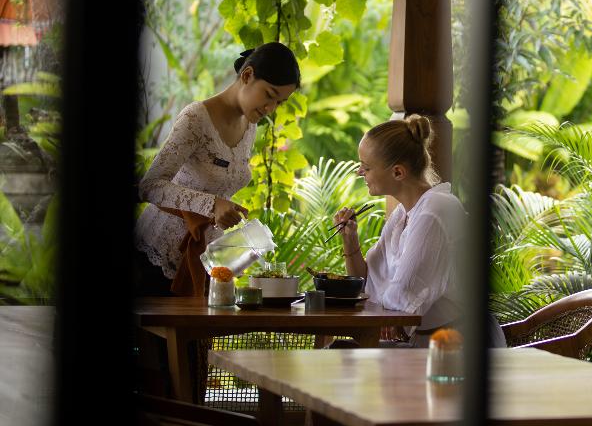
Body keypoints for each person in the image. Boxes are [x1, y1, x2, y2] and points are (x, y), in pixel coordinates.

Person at [134, 42, 300, 297]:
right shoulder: (196, 118)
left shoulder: (250, 124)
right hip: (154, 259)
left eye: (279, 102)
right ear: (247, 75)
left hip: (199, 263)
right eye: (269, 95)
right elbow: (150, 187)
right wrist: (212, 205)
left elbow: (220, 189)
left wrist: (226, 216)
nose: (271, 109)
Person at [334, 115, 474, 346]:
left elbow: (403, 295)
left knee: (342, 353)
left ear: (398, 172)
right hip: (424, 343)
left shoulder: (435, 210)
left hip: (455, 347)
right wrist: (350, 241)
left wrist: (392, 315)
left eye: (366, 167)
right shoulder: (403, 214)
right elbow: (366, 281)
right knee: (340, 350)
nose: (360, 172)